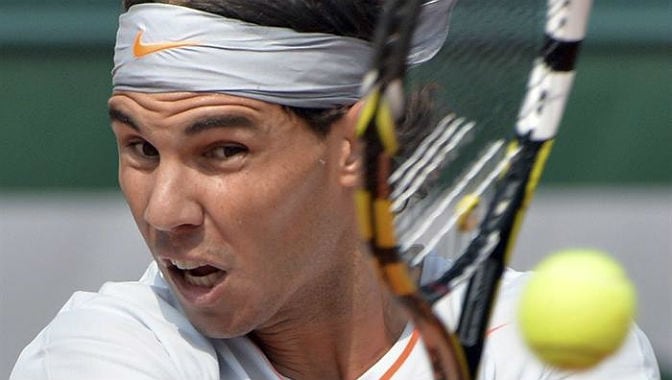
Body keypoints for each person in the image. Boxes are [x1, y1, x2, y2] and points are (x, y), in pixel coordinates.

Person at [11, 1, 660, 379]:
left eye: (222, 151)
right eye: (140, 149)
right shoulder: (100, 353)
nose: (163, 212)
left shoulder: (543, 354)